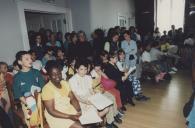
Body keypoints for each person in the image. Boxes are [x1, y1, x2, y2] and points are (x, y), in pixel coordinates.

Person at [42, 60, 84, 128]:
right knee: (81, 127)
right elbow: (51, 111)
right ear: (49, 76)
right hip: (57, 116)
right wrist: (69, 116)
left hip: (68, 110)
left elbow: (73, 99)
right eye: (54, 74)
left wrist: (79, 111)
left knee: (86, 122)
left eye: (59, 73)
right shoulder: (46, 89)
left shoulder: (64, 83)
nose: (57, 76)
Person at [69, 60, 109, 125]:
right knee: (93, 110)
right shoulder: (72, 80)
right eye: (81, 69)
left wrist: (96, 97)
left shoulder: (88, 77)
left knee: (107, 108)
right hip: (81, 100)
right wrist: (85, 102)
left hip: (90, 97)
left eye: (85, 69)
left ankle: (97, 121)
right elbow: (77, 97)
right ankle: (96, 122)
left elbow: (91, 91)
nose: (84, 71)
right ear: (76, 70)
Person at [13, 51, 45, 127]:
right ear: (20, 62)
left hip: (40, 99)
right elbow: (19, 95)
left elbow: (43, 88)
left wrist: (40, 102)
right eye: (27, 59)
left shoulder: (36, 72)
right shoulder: (17, 77)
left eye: (30, 58)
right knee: (32, 116)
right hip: (26, 102)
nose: (30, 60)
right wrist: (31, 105)